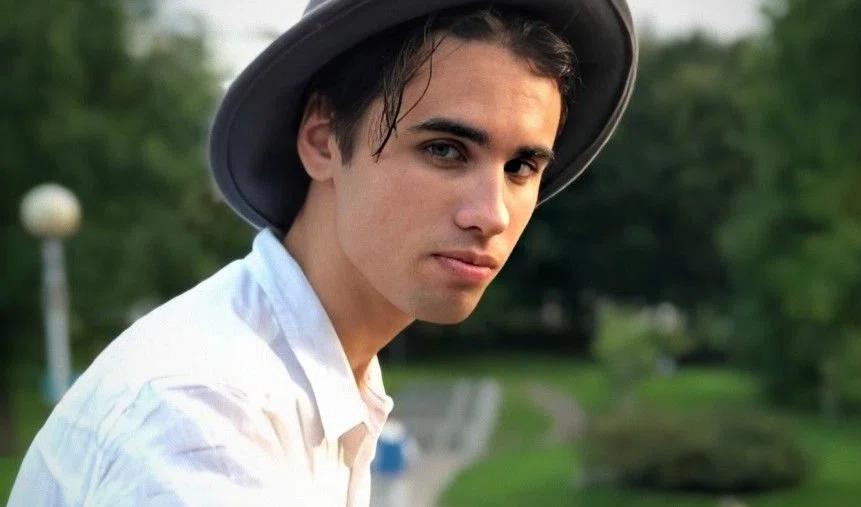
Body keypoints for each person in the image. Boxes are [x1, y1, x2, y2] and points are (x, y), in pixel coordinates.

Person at [8, 0, 636, 505]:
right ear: (322, 140)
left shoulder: (318, 376)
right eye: (445, 150)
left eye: (521, 167)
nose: (492, 214)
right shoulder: (203, 416)